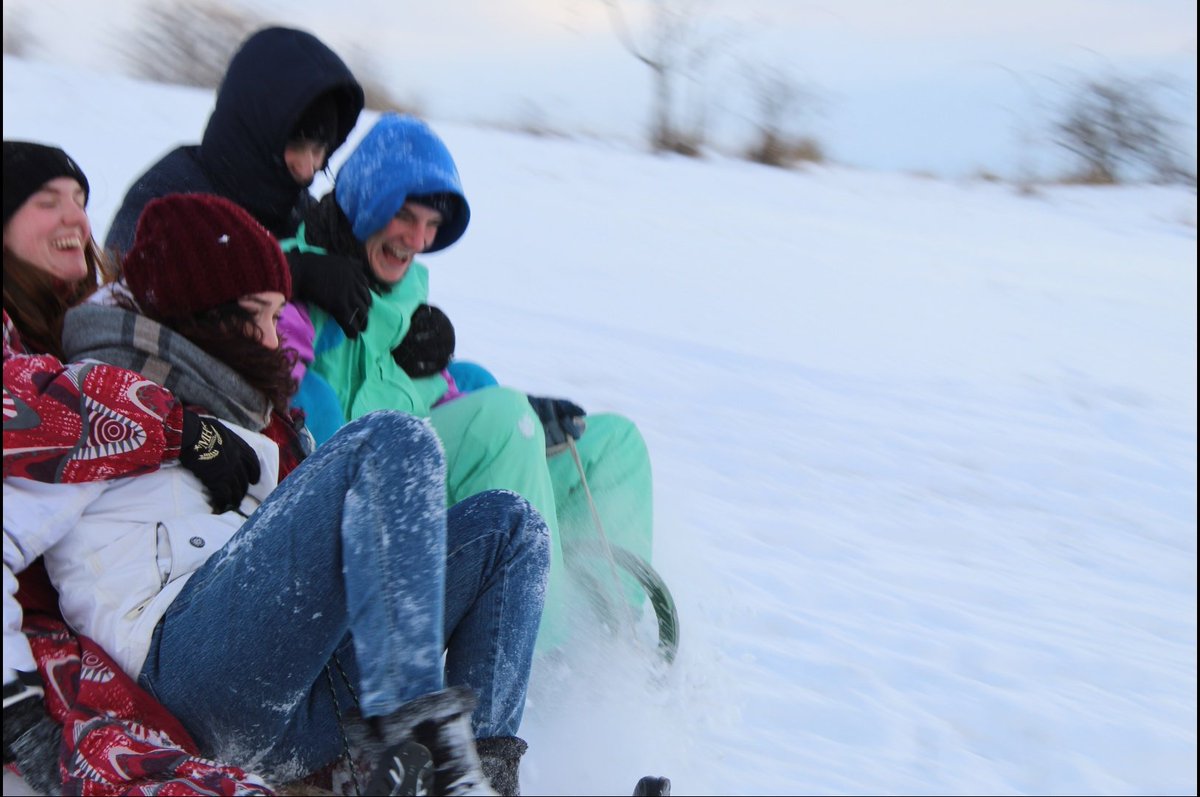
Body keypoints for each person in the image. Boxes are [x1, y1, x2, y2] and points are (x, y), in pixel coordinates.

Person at [7, 193, 549, 795]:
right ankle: (422, 756)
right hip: (182, 673)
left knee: (512, 527)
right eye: (261, 316)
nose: (275, 339)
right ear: (203, 312)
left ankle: (483, 783)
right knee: (390, 441)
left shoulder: (255, 417)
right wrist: (18, 714)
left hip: (289, 698)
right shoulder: (90, 401)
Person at [277, 113, 655, 652]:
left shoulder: (404, 296)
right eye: (403, 216)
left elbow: (435, 394)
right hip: (366, 505)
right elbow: (275, 370)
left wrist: (517, 408)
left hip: (423, 472)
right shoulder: (303, 281)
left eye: (431, 224)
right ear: (365, 202)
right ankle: (538, 652)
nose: (418, 239)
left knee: (613, 442)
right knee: (504, 422)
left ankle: (610, 641)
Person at [105, 25, 375, 342]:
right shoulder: (169, 194)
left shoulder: (296, 206)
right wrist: (289, 272)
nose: (308, 169)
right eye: (297, 144)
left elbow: (361, 273)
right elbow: (130, 292)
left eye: (320, 150)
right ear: (255, 128)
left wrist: (405, 321)